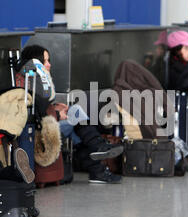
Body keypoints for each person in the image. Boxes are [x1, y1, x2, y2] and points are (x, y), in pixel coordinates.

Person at [16, 45, 123, 184]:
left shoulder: (37, 78)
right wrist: (58, 115)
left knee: (77, 120)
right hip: (40, 130)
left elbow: (42, 106)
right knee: (76, 118)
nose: (49, 64)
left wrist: (56, 108)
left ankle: (97, 154)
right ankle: (98, 156)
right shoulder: (31, 80)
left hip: (49, 120)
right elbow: (35, 110)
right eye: (45, 61)